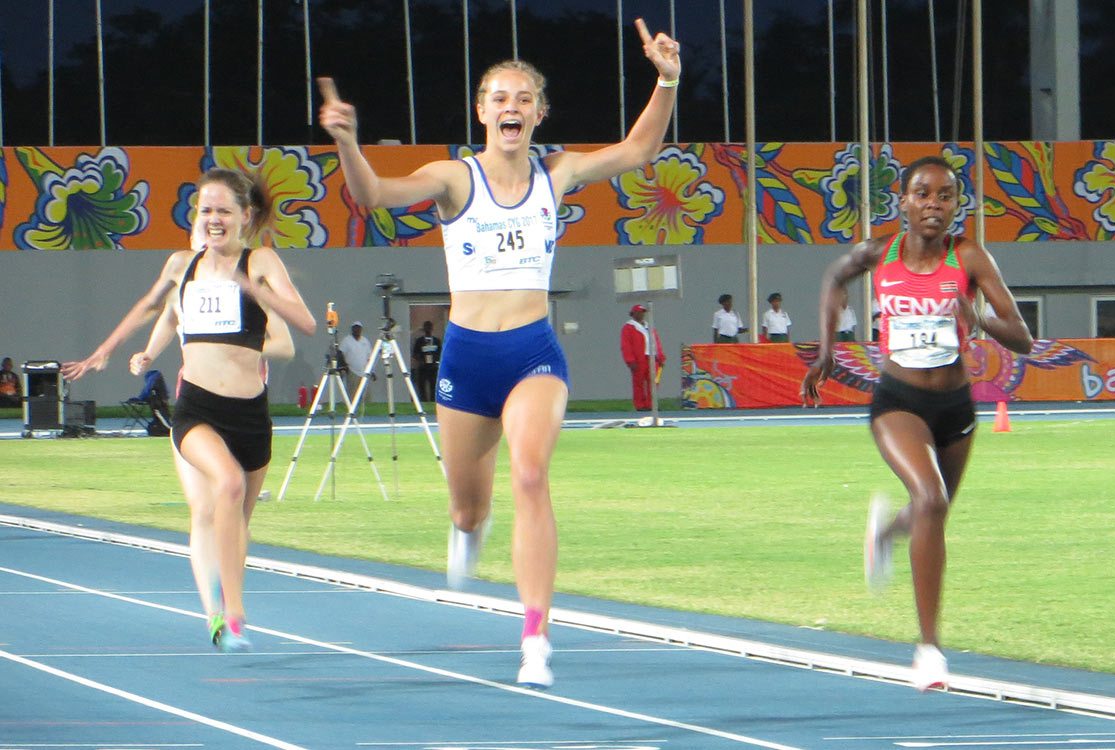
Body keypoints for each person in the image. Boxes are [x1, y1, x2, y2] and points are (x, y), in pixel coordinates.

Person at [318, 17, 680, 689]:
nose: (510, 107)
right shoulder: (453, 179)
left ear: (539, 113)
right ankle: (466, 530)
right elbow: (373, 197)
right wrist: (347, 142)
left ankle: (536, 634)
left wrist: (665, 79)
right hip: (467, 360)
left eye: (522, 98)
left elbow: (636, 151)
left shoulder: (558, 172)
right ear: (481, 112)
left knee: (533, 474)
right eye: (498, 98)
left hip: (533, 353)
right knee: (468, 508)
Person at [801, 156, 1033, 691]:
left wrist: (979, 319)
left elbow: (1022, 337)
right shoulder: (879, 253)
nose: (934, 205)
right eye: (923, 194)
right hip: (898, 401)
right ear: (902, 201)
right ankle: (929, 650)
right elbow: (836, 278)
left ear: (956, 204)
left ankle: (885, 531)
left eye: (945, 196)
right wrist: (828, 349)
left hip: (957, 409)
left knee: (936, 509)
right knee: (930, 500)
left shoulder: (969, 256)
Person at [64, 167, 316, 652]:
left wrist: (255, 289)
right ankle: (224, 613)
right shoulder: (183, 265)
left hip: (251, 413)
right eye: (206, 211)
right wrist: (108, 349)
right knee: (225, 486)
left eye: (224, 210)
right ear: (195, 216)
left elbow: (304, 323)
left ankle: (231, 613)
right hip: (197, 406)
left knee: (237, 518)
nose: (214, 219)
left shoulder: (262, 261)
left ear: (246, 216)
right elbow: (149, 307)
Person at [620, 304, 666, 411]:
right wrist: (630, 360)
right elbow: (626, 345)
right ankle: (640, 405)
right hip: (639, 359)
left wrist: (661, 356)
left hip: (653, 357)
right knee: (638, 383)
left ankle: (651, 404)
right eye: (639, 312)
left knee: (653, 382)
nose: (642, 314)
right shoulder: (628, 328)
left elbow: (656, 342)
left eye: (643, 312)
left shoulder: (649, 326)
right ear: (633, 314)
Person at [339, 320, 373, 406]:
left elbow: (369, 357)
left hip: (364, 372)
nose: (357, 330)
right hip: (352, 371)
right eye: (355, 328)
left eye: (359, 328)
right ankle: (352, 410)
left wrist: (371, 370)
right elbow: (340, 353)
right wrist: (344, 366)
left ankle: (367, 412)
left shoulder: (365, 341)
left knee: (366, 395)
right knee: (352, 394)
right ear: (352, 329)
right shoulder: (347, 340)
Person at [411, 320, 442, 403]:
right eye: (426, 327)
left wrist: (436, 361)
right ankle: (423, 402)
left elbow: (440, 353)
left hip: (433, 367)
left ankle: (433, 401)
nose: (428, 329)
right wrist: (420, 360)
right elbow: (415, 353)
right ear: (424, 328)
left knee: (433, 385)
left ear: (432, 328)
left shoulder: (436, 341)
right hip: (423, 367)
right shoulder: (419, 341)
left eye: (429, 327)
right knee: (421, 386)